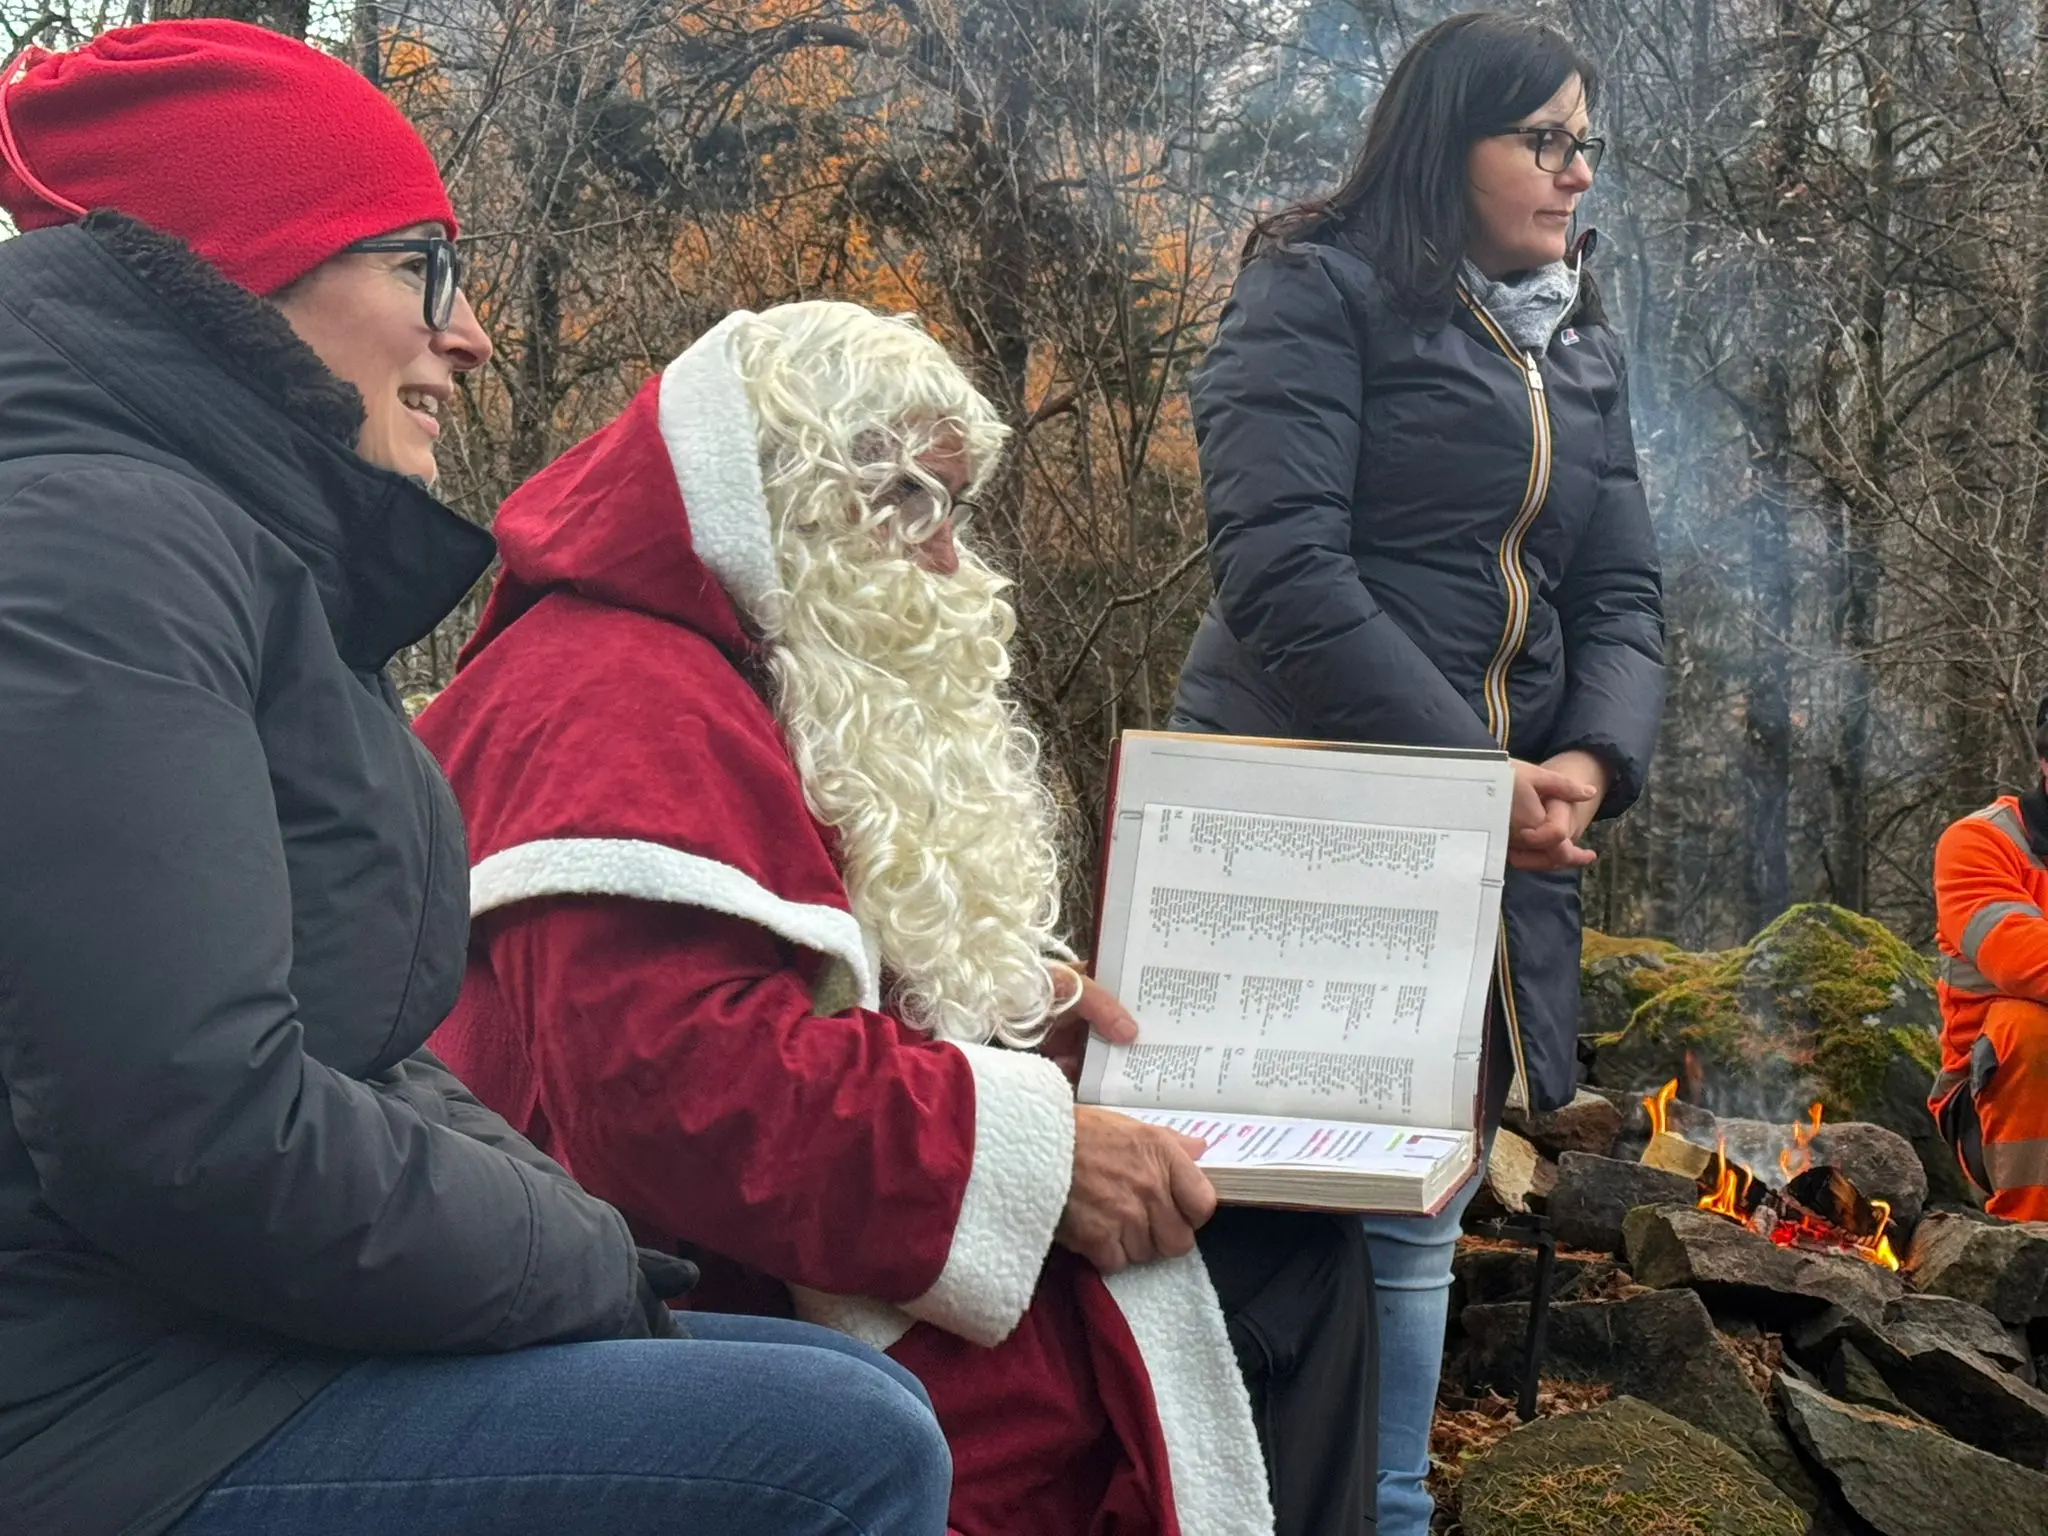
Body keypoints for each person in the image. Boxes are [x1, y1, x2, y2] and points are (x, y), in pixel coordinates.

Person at [0, 22, 951, 1536]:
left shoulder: (223, 551)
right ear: (245, 271)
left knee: (852, 1404)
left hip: (182, 1346)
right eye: (422, 265)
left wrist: (575, 1238)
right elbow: (182, 1121)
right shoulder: (99, 553)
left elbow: (364, 1045)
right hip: (91, 1408)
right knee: (824, 1443)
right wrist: (581, 1260)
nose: (475, 331)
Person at [416, 299, 1377, 1535]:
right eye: (911, 505)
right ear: (785, 495)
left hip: (797, 1245)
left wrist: (1011, 1014)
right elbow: (671, 1097)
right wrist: (1039, 1159)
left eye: (952, 511)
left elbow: (810, 964)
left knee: (1301, 1243)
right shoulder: (612, 697)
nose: (949, 564)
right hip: (705, 1291)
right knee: (1241, 1301)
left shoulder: (721, 658)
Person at [1170, 12, 1665, 1533]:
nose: (1576, 173)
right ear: (1445, 143)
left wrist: (1589, 756)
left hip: (1486, 843)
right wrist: (1469, 777)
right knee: (1246, 1230)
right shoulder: (1312, 288)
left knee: (1415, 1219)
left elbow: (1625, 594)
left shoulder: (1577, 332)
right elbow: (1283, 569)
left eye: (1586, 142)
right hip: (1299, 833)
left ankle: (1381, 1515)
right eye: (1545, 140)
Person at [1929, 694, 2048, 1219]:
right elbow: (2026, 959)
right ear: (2045, 763)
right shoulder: (1980, 842)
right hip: (1987, 1108)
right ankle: (2027, 1239)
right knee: (2025, 1024)